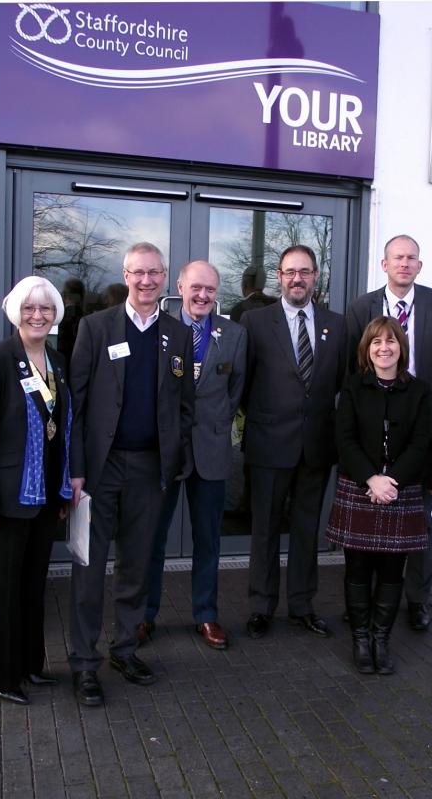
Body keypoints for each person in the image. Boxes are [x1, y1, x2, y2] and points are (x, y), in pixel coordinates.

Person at [67, 242, 194, 707]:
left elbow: (185, 407)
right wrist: (76, 470)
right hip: (100, 470)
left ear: (164, 279)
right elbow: (76, 406)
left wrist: (172, 460)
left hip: (149, 469)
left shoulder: (178, 335)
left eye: (154, 274)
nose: (146, 281)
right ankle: (84, 663)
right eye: (138, 273)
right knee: (88, 566)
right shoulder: (95, 327)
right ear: (126, 275)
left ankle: (124, 649)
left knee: (136, 566)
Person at [0, 276, 72, 706]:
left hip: (44, 500)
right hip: (5, 502)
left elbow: (61, 430)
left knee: (32, 588)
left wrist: (63, 493)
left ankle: (31, 664)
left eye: (46, 308)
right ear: (16, 312)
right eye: (30, 308)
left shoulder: (56, 361)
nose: (38, 315)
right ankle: (3, 676)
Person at [345, 234, 432, 631]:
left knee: (417, 521)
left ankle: (417, 600)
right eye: (397, 258)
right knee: (371, 523)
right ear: (384, 264)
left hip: (419, 427)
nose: (404, 264)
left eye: (411, 258)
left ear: (419, 266)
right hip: (373, 429)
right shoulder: (361, 307)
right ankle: (369, 600)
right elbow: (354, 368)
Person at [240, 244, 347, 639]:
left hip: (316, 445)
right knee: (265, 529)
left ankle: (302, 605)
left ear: (315, 276)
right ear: (279, 276)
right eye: (289, 272)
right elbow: (245, 383)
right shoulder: (256, 322)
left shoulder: (337, 325)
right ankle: (261, 606)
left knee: (306, 530)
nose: (297, 278)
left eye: (304, 271)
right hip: (269, 443)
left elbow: (341, 383)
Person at [141, 261, 247, 650]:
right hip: (166, 451)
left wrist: (215, 425)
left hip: (212, 451)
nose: (202, 296)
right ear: (180, 288)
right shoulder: (160, 329)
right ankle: (145, 615)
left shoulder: (234, 334)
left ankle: (206, 615)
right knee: (153, 538)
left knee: (208, 541)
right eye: (196, 288)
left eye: (210, 290)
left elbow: (235, 390)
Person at [327, 317, 432, 675]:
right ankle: (360, 640)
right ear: (366, 349)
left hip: (400, 492)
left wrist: (392, 481)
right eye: (376, 342)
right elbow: (344, 441)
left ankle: (380, 639)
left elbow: (422, 444)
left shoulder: (419, 391)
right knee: (357, 569)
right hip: (361, 488)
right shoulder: (353, 388)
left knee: (391, 572)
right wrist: (372, 479)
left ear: (401, 347)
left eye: (391, 341)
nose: (384, 348)